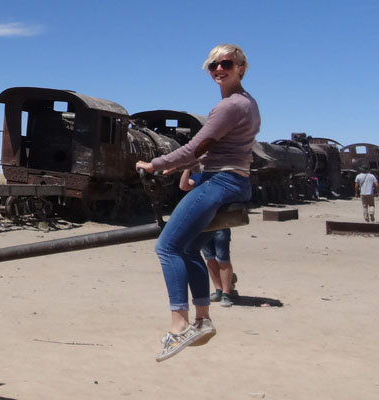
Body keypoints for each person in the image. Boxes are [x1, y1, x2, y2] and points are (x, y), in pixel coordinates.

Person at [135, 43, 259, 362]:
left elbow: (195, 148)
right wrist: (179, 167)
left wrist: (157, 163)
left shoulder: (229, 106)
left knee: (167, 247)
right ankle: (202, 320)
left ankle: (179, 324)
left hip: (220, 183)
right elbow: (209, 150)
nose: (218, 69)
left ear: (241, 67)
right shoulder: (248, 103)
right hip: (237, 183)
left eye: (226, 63)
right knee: (190, 249)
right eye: (212, 65)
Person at [179, 170, 238, 307]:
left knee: (223, 259)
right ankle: (218, 290)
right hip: (203, 224)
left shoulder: (220, 177)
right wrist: (186, 168)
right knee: (210, 259)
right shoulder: (199, 177)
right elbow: (183, 186)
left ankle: (226, 293)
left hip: (221, 223)